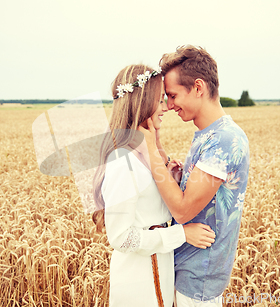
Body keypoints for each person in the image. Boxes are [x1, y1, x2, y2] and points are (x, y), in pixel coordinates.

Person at [92, 64, 216, 307]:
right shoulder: (123, 161)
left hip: (157, 268)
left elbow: (155, 208)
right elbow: (120, 238)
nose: (166, 107)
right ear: (142, 103)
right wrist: (181, 234)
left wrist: (172, 173)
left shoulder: (145, 155)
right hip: (137, 281)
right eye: (160, 100)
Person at [138, 46, 250, 306]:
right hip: (188, 266)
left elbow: (183, 210)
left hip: (199, 275)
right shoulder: (208, 133)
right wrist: (166, 160)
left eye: (173, 95)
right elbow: (194, 195)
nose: (168, 105)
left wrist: (152, 151)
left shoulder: (223, 139)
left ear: (198, 87)